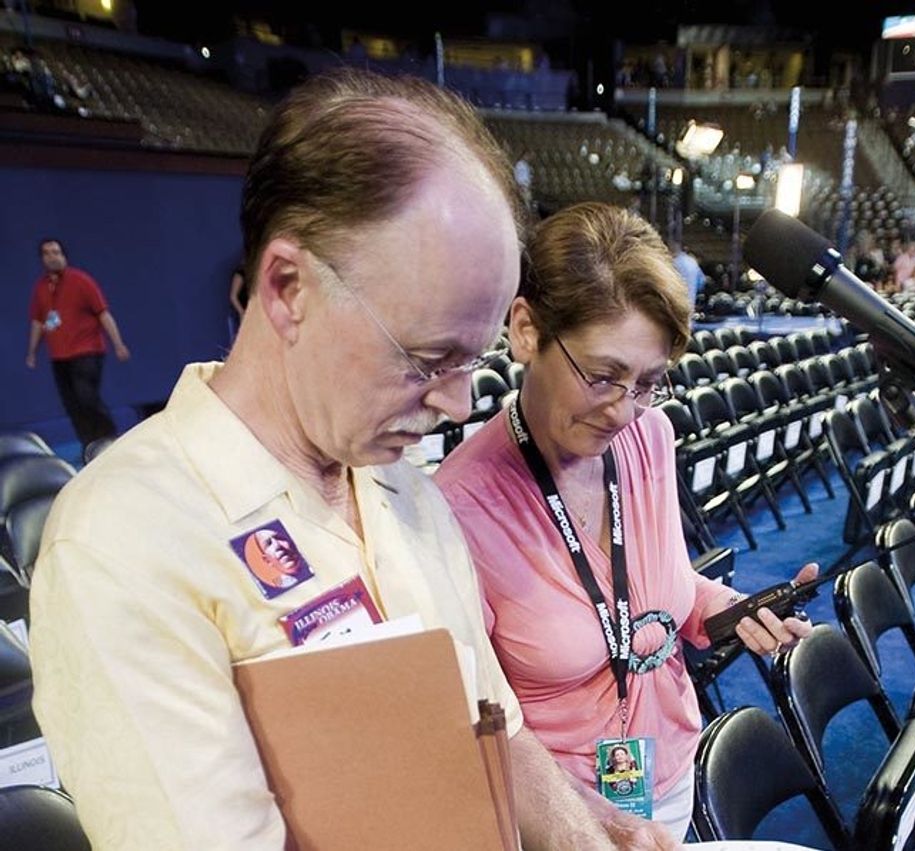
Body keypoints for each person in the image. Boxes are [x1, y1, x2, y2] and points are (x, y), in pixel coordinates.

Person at [30, 69, 625, 851]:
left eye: (471, 363)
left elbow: (496, 733)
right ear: (286, 287)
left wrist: (589, 831)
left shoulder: (406, 493)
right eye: (426, 357)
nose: (456, 404)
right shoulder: (124, 544)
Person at [436, 202, 816, 846]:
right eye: (604, 375)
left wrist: (728, 607)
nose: (623, 410)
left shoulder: (650, 436)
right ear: (526, 331)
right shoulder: (460, 507)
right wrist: (586, 821)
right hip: (564, 819)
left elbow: (663, 591)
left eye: (649, 382)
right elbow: (474, 725)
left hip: (668, 769)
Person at [25, 238, 130, 450]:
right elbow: (38, 321)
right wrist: (32, 352)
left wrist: (118, 344)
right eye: (47, 253)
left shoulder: (81, 281)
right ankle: (90, 445)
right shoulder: (41, 288)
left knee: (87, 397)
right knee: (72, 405)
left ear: (64, 255)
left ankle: (110, 440)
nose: (52, 256)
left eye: (56, 252)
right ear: (42, 259)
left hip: (86, 351)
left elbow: (103, 314)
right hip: (59, 356)